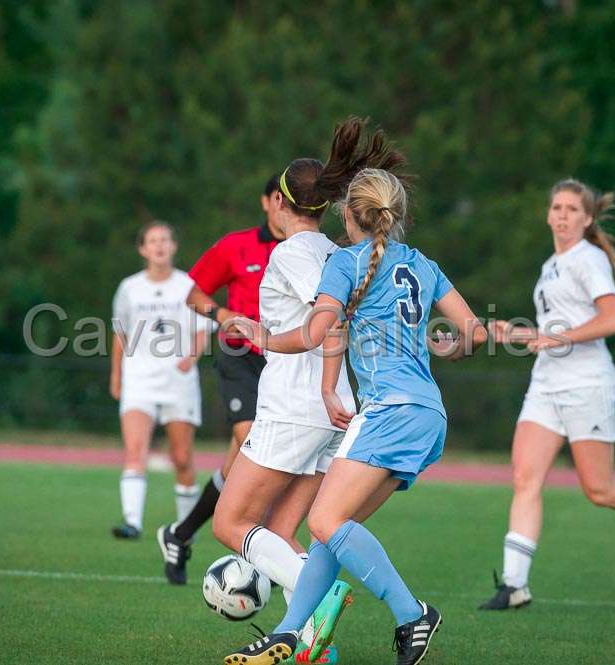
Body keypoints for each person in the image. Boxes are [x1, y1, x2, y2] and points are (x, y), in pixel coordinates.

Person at [224, 119, 487, 665]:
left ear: (349, 215)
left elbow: (319, 331)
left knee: (322, 521)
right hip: (428, 415)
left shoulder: (345, 262)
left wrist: (264, 335)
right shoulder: (421, 263)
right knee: (331, 530)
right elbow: (475, 332)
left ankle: (412, 612)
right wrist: (446, 348)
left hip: (387, 411)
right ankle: (291, 633)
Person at [479, 179, 615, 611]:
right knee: (525, 478)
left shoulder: (588, 259)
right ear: (547, 215)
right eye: (556, 207)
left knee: (600, 490)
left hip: (587, 385)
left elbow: (614, 320)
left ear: (588, 218)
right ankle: (514, 584)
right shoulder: (550, 265)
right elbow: (552, 333)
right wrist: (518, 334)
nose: (562, 215)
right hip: (546, 384)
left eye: (571, 209)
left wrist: (558, 340)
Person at [212, 137, 374, 663]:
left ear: (280, 204)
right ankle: (311, 647)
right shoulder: (336, 250)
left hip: (298, 406)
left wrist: (271, 345)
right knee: (281, 530)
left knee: (230, 523)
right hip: (332, 411)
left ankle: (319, 597)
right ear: (324, 205)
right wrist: (268, 330)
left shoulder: (293, 251)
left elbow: (329, 323)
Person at [157, 176, 285, 584]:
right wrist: (224, 316)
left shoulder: (309, 250)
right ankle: (251, 543)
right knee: (251, 439)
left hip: (285, 361)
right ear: (267, 201)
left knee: (240, 464)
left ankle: (180, 532)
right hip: (238, 355)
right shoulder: (236, 245)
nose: (288, 208)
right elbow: (194, 295)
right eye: (281, 199)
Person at [109, 221, 215, 540]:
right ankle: (132, 522)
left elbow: (203, 330)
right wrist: (116, 375)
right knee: (135, 449)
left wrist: (190, 358)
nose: (159, 246)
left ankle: (186, 527)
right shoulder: (129, 288)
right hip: (139, 380)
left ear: (173, 246)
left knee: (181, 458)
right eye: (152, 241)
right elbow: (119, 334)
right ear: (142, 249)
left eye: (165, 240)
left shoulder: (188, 286)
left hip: (177, 381)